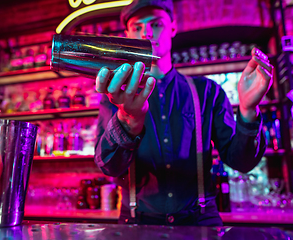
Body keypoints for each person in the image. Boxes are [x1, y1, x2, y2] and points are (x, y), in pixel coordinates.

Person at [94, 0, 273, 226]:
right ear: (128, 34)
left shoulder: (208, 92)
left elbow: (241, 162)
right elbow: (108, 166)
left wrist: (248, 111)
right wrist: (125, 122)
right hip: (137, 224)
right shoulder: (114, 96)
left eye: (156, 24)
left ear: (172, 27)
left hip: (199, 223)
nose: (147, 32)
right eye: (138, 27)